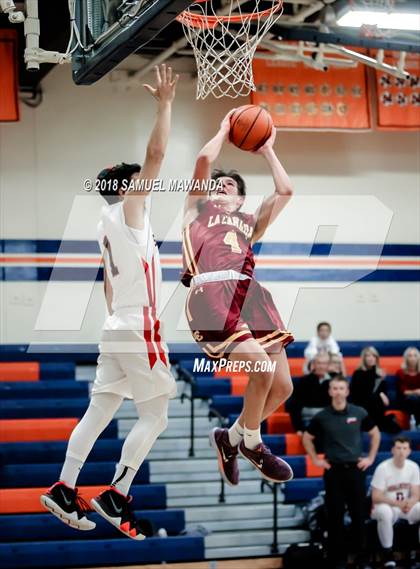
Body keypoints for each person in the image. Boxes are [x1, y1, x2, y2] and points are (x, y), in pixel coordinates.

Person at [41, 64, 178, 539]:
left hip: (116, 325)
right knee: (156, 414)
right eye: (140, 181)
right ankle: (115, 494)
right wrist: (164, 105)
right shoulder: (129, 210)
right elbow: (157, 153)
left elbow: (106, 283)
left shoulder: (106, 223)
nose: (149, 184)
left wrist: (120, 325)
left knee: (99, 411)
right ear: (126, 188)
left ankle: (64, 485)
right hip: (138, 326)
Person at [182, 111, 294, 486]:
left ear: (241, 196)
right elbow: (202, 161)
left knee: (283, 387)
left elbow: (286, 191)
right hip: (212, 292)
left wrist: (268, 150)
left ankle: (230, 438)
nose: (223, 186)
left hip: (252, 295)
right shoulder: (196, 211)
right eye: (220, 184)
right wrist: (223, 129)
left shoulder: (249, 222)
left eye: (231, 185)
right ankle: (252, 443)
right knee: (261, 370)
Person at [303, 376, 381, 569]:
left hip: (355, 470)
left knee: (358, 515)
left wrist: (370, 458)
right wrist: (315, 459)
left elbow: (375, 433)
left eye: (341, 388)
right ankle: (337, 559)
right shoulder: (322, 416)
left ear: (347, 391)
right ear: (330, 391)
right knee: (335, 517)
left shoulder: (359, 412)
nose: (338, 392)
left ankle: (361, 559)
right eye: (334, 388)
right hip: (334, 472)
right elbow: (306, 437)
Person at [370, 436, 420, 568]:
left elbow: (416, 494)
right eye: (398, 448)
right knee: (384, 512)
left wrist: (410, 503)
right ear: (392, 450)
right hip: (386, 506)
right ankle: (388, 555)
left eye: (405, 448)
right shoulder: (383, 468)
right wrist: (397, 504)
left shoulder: (413, 467)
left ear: (409, 451)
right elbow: (375, 496)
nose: (401, 452)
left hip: (404, 507)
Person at [351, 346, 400, 434]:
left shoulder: (380, 374)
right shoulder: (358, 373)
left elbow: (384, 396)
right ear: (364, 358)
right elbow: (359, 394)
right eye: (368, 356)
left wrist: (381, 394)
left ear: (376, 358)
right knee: (373, 400)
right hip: (362, 405)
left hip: (376, 407)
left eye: (373, 356)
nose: (371, 358)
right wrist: (380, 394)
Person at [289, 352, 331, 435]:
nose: (321, 366)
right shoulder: (303, 382)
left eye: (324, 363)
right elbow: (295, 407)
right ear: (314, 365)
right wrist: (299, 429)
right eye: (319, 363)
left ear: (328, 365)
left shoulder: (334, 381)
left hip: (330, 421)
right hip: (309, 421)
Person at [396, 346, 420, 427]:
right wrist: (416, 391)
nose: (412, 358)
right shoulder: (401, 372)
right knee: (413, 399)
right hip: (405, 400)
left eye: (415, 355)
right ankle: (416, 424)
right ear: (406, 358)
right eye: (410, 356)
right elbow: (404, 391)